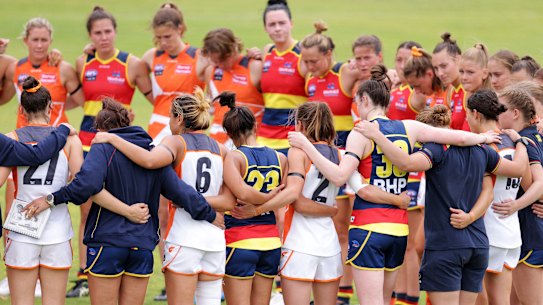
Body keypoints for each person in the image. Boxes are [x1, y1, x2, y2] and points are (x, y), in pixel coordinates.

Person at [287, 64, 503, 305]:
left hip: (369, 227)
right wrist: (483, 138)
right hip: (399, 230)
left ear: (365, 99)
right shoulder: (409, 127)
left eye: (358, 101)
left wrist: (305, 146)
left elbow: (339, 177)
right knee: (385, 299)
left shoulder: (361, 133)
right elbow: (459, 137)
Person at [25, 97, 221, 305]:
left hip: (107, 244)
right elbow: (182, 192)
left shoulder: (102, 146)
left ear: (101, 130)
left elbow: (85, 185)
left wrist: (52, 199)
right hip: (142, 247)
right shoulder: (153, 151)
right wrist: (210, 214)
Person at [232, 102, 410, 305]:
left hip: (299, 245)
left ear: (300, 125)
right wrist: (397, 199)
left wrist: (257, 209)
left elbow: (296, 200)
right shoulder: (342, 155)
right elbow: (364, 189)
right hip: (329, 246)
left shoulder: (298, 153)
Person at [353, 101, 526, 305]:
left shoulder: (435, 149)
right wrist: (522, 141)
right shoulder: (481, 149)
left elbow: (406, 163)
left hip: (445, 246)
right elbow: (517, 170)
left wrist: (377, 136)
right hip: (478, 245)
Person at [91, 88, 235, 305]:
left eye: (170, 116)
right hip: (215, 240)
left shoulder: (175, 142)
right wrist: (200, 203)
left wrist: (113, 138)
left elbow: (149, 161)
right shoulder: (221, 149)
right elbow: (228, 201)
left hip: (184, 239)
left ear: (179, 118)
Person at [71, 6, 154, 296]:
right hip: (86, 141)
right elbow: (73, 98)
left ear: (115, 32)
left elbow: (156, 97)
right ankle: (84, 272)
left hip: (120, 143)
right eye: (98, 33)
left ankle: (121, 258)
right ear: (90, 35)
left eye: (108, 31)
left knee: (119, 202)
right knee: (86, 208)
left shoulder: (131, 63)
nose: (104, 37)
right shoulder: (83, 61)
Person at [140, 3, 210, 300]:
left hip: (186, 131)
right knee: (158, 208)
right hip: (158, 129)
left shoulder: (198, 56)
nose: (163, 43)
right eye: (158, 38)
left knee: (195, 198)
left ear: (180, 29)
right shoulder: (149, 58)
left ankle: (203, 274)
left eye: (168, 36)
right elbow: (143, 87)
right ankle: (170, 276)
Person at [0, 76, 82, 305]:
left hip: (22, 230)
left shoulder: (11, 138)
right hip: (57, 231)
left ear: (21, 110)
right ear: (51, 107)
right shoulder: (70, 141)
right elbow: (80, 184)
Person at [217, 92, 286, 305]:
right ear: (255, 125)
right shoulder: (280, 158)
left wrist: (261, 198)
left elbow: (243, 193)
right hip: (271, 243)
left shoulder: (234, 157)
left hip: (240, 241)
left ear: (228, 133)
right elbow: (281, 210)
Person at [465, 89, 531, 305]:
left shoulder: (484, 146)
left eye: (467, 115)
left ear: (475, 114)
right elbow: (528, 183)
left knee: (474, 297)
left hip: (488, 232)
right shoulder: (514, 142)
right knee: (501, 300)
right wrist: (521, 142)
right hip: (512, 234)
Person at [490, 87, 543, 305]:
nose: (495, 115)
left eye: (500, 109)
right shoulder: (534, 136)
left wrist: (516, 204)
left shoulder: (524, 142)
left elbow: (539, 185)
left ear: (514, 113)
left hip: (530, 232)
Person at [387, 40, 427, 305]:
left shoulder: (417, 94)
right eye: (398, 60)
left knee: (412, 243)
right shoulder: (397, 90)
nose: (401, 66)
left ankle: (410, 297)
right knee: (400, 240)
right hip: (396, 171)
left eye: (407, 61)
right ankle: (398, 296)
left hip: (414, 172)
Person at [257, 0, 308, 155]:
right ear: (265, 27)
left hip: (293, 139)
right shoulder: (267, 51)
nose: (278, 28)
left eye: (282, 23)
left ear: (291, 23)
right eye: (272, 24)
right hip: (264, 138)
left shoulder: (303, 54)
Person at [203, 28, 264, 149]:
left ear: (233, 50)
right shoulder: (211, 71)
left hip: (247, 142)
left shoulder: (254, 66)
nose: (219, 65)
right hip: (217, 143)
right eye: (215, 61)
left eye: (222, 60)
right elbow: (209, 108)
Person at [432, 32, 468, 131]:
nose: (440, 73)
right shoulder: (452, 91)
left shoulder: (468, 91)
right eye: (436, 68)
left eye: (444, 66)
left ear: (459, 59)